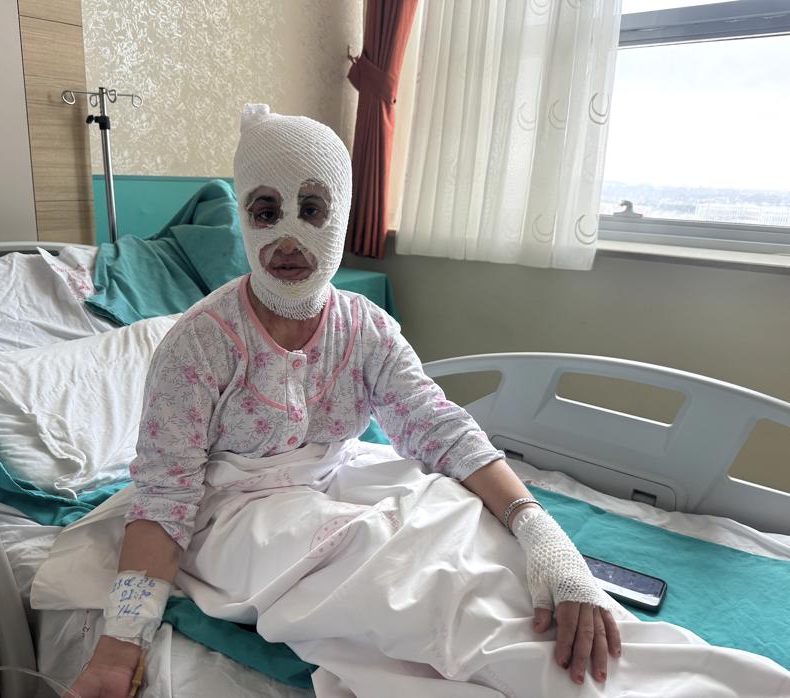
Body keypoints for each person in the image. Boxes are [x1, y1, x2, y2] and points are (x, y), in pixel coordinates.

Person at [69, 104, 622, 697]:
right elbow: (165, 498)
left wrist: (543, 536)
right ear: (244, 219)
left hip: (336, 476)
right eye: (265, 211)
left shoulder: (366, 329)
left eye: (311, 209)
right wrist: (120, 643)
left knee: (463, 523)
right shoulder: (199, 345)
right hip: (230, 511)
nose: (287, 238)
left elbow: (440, 429)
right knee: (388, 566)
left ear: (341, 215)